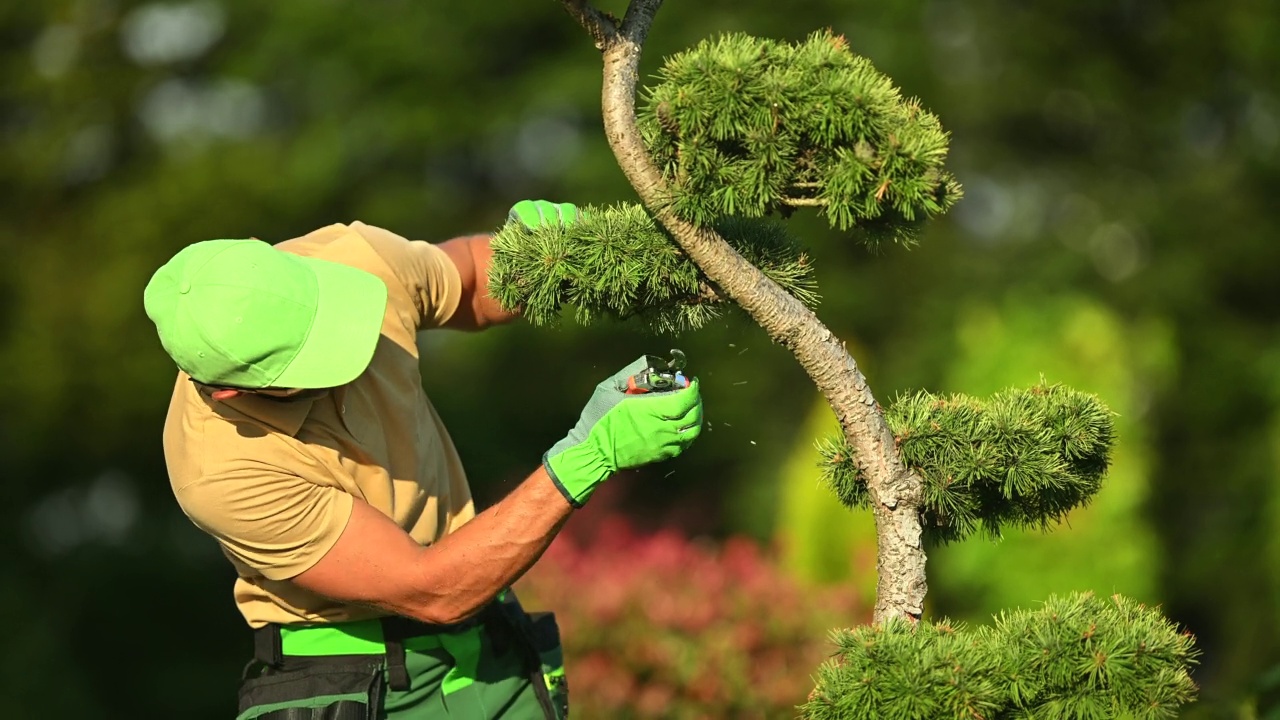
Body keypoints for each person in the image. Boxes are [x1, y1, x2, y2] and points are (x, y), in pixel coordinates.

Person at [142, 200, 705, 719]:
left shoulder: (349, 261)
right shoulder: (219, 469)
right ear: (230, 393)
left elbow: (472, 283)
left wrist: (539, 256)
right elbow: (433, 591)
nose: (352, 351)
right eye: (314, 364)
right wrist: (588, 457)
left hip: (490, 645)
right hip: (351, 682)